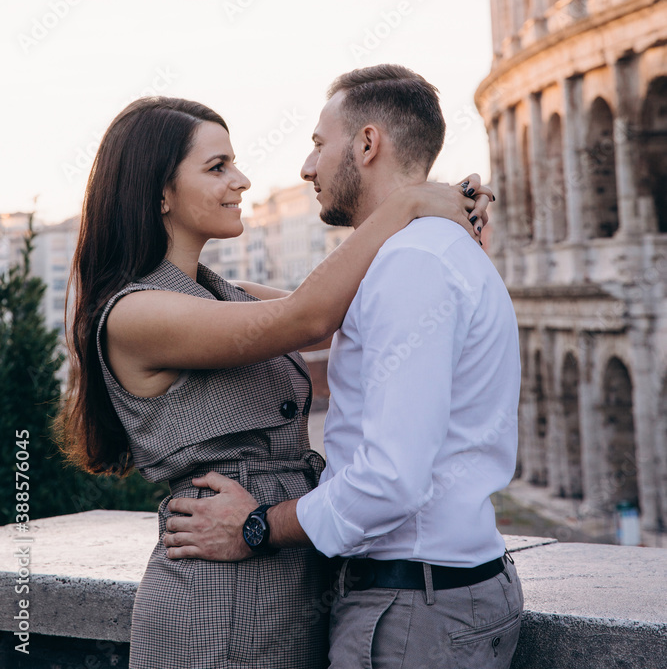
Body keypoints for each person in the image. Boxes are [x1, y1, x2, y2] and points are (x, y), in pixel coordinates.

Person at [57, 92, 491, 669]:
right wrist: (409, 202)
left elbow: (352, 309)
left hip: (281, 581)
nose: (242, 180)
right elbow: (305, 317)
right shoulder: (137, 313)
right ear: (159, 192)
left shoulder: (216, 293)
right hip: (211, 609)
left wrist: (457, 233)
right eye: (217, 168)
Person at [163, 65, 523, 669]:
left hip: (414, 611)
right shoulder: (416, 255)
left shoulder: (413, 265)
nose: (307, 167)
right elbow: (301, 311)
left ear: (367, 143)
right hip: (431, 596)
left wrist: (254, 528)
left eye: (317, 143)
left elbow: (390, 479)